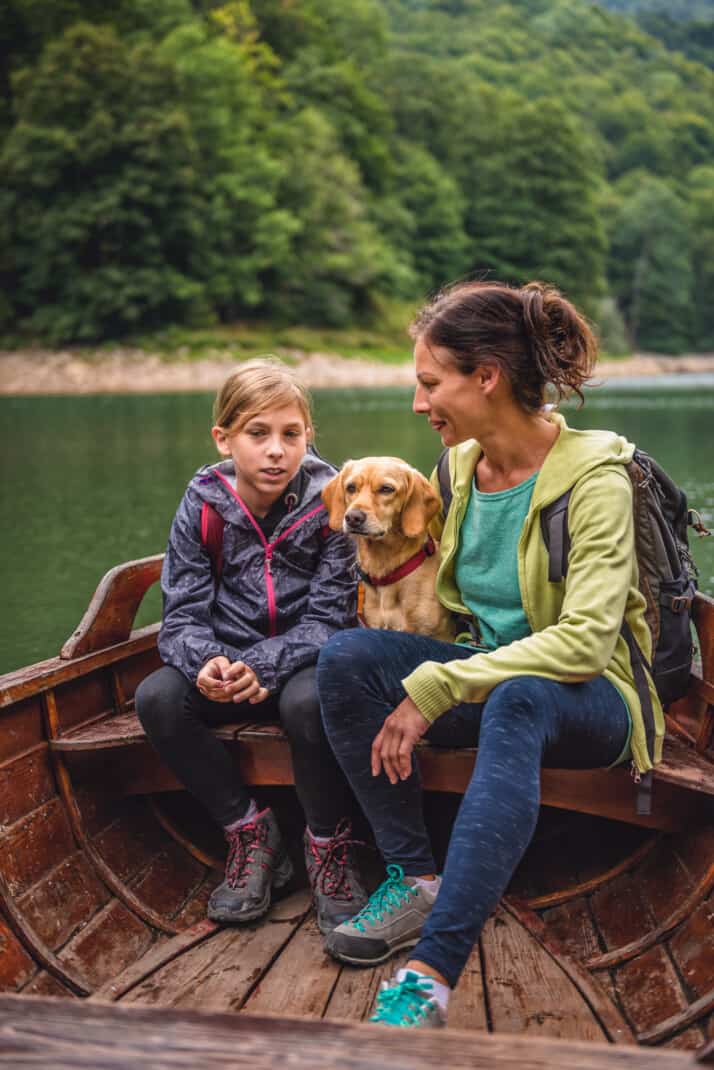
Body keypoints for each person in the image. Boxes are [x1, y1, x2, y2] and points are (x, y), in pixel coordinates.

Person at [317, 281, 663, 1028]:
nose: (419, 404)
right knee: (345, 659)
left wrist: (438, 684)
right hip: (485, 675)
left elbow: (582, 645)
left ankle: (429, 978)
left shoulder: (597, 480)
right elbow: (394, 553)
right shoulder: (456, 472)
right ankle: (413, 877)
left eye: (429, 383)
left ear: (487, 378)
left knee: (520, 696)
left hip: (591, 698)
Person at [136, 358, 367, 935]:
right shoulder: (203, 504)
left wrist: (265, 663)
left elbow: (330, 617)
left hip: (301, 664)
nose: (276, 451)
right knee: (158, 698)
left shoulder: (331, 503)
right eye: (257, 434)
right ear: (224, 438)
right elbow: (182, 615)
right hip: (224, 663)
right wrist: (207, 661)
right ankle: (250, 830)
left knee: (310, 703)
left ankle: (326, 846)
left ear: (307, 437)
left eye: (291, 435)